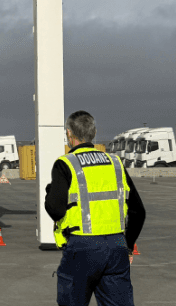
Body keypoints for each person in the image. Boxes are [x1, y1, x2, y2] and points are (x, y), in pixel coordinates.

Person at [45, 110, 146, 306]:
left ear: (69, 134)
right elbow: (138, 211)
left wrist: (51, 191)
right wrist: (128, 246)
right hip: (116, 246)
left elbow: (55, 210)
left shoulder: (65, 164)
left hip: (82, 247)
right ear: (94, 132)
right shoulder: (115, 163)